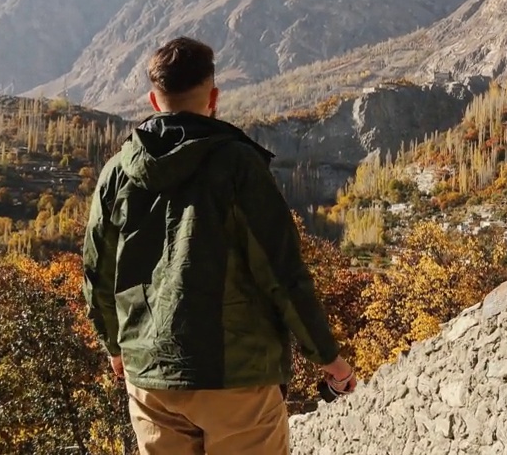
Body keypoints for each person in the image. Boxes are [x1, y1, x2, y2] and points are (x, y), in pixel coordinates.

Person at [82, 36, 357, 454]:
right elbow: (282, 273)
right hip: (237, 377)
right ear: (213, 97)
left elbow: (97, 272)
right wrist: (328, 358)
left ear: (154, 102)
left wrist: (116, 347)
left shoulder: (117, 172)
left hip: (150, 378)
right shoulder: (239, 165)